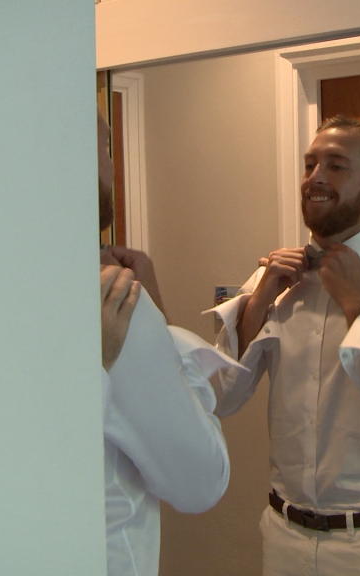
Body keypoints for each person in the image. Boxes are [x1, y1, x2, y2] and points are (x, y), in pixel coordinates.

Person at [208, 116, 360, 576]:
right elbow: (221, 398)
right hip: (284, 536)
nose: (315, 177)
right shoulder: (270, 280)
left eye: (336, 166)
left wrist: (358, 304)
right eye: (311, 164)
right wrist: (258, 303)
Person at [96, 113, 239, 576]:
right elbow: (202, 481)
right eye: (105, 146)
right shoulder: (114, 304)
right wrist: (160, 323)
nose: (111, 164)